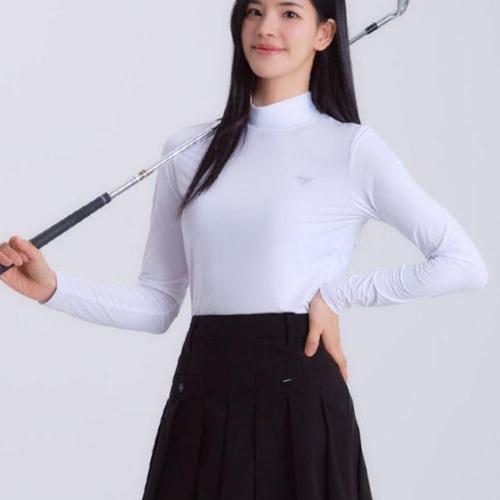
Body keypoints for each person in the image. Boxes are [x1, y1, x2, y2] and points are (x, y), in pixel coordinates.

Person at [0, 0, 489, 498]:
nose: (266, 28)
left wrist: (336, 296)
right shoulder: (189, 150)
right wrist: (52, 288)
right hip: (202, 395)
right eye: (254, 11)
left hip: (299, 400)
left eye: (289, 14)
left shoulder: (350, 148)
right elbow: (157, 305)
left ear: (324, 34)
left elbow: (462, 263)